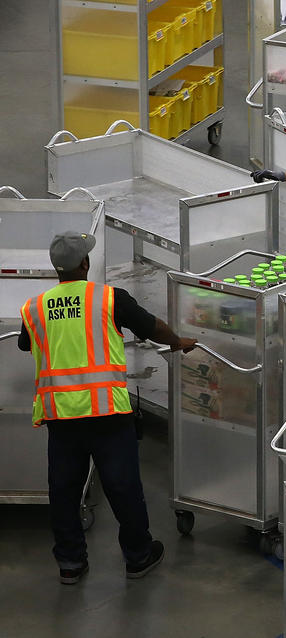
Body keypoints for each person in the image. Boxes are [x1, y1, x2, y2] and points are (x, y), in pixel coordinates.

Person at [18, 231, 197, 585]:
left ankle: (70, 563)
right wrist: (178, 342)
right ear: (84, 263)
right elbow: (151, 327)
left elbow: (26, 344)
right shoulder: (109, 299)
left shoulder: (34, 308)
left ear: (57, 270)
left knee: (64, 491)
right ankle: (138, 556)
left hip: (62, 416)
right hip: (107, 414)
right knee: (123, 486)